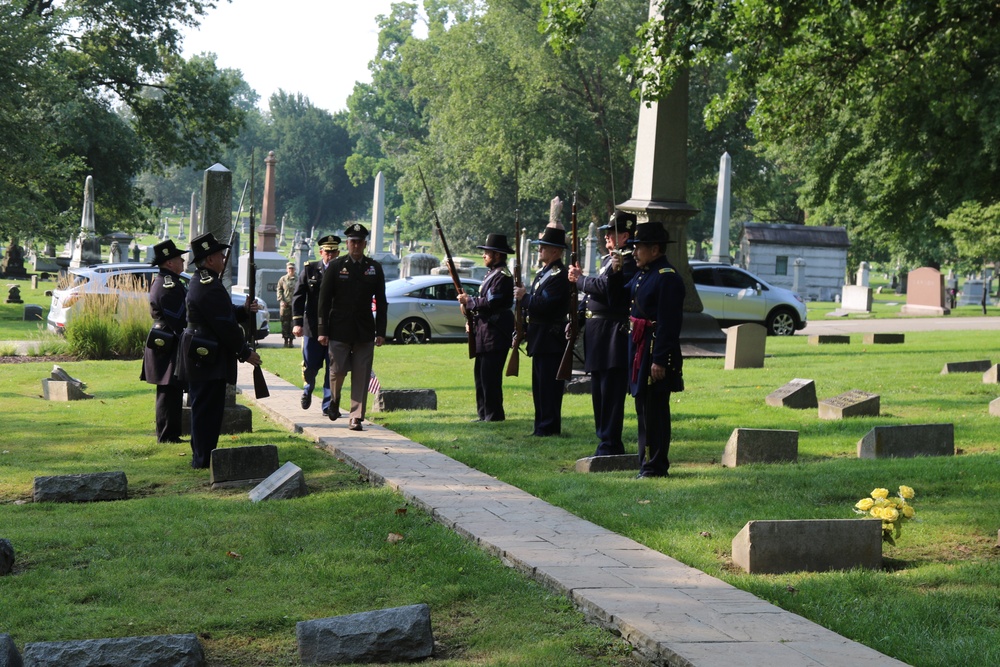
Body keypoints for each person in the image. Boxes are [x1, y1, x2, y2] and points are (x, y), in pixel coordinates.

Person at [178, 232, 262, 469]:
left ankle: (204, 455)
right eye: (220, 255)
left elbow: (221, 313)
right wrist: (245, 352)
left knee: (209, 408)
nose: (224, 258)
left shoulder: (207, 282)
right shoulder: (208, 285)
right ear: (211, 259)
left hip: (206, 352)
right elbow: (223, 324)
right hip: (205, 354)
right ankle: (202, 459)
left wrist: (243, 310)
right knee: (206, 409)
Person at [612, 223, 684, 478]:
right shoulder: (644, 274)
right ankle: (646, 462)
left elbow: (668, 324)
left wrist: (660, 360)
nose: (634, 252)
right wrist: (615, 272)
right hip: (640, 351)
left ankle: (655, 465)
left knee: (655, 412)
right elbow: (619, 297)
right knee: (643, 409)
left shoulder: (667, 277)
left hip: (654, 353)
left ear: (655, 249)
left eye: (638, 247)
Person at [567, 211, 638, 456]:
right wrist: (576, 317)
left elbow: (606, 289)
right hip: (598, 334)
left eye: (612, 232)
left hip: (612, 334)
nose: (607, 235)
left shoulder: (626, 260)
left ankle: (610, 442)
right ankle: (604, 439)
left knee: (610, 392)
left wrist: (580, 280)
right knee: (599, 391)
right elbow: (592, 295)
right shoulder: (610, 260)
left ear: (625, 236)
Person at [317, 223, 387, 432]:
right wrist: (322, 330)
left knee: (361, 373)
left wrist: (381, 331)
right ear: (347, 243)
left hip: (364, 329)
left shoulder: (374, 268)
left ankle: (356, 416)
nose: (356, 245)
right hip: (339, 328)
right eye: (352, 242)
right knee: (337, 371)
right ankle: (335, 401)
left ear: (365, 244)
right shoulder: (337, 266)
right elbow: (323, 300)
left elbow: (381, 302)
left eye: (360, 242)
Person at [514, 226, 570, 436]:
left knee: (548, 387)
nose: (540, 251)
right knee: (539, 387)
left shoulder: (559, 275)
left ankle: (549, 426)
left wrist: (524, 297)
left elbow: (546, 305)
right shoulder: (544, 273)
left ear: (555, 251)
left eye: (544, 247)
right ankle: (541, 425)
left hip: (550, 338)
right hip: (539, 337)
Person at [458, 233, 516, 422]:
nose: (483, 255)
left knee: (490, 378)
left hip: (495, 332)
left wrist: (470, 301)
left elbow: (491, 302)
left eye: (487, 252)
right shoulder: (491, 274)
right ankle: (483, 414)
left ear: (497, 255)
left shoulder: (503, 276)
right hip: (484, 332)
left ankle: (494, 415)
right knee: (481, 377)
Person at [139, 239, 188, 444]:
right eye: (178, 258)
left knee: (172, 389)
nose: (182, 261)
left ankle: (171, 432)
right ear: (169, 263)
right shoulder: (168, 284)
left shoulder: (170, 280)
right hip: (167, 340)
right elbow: (177, 317)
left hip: (166, 338)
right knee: (168, 390)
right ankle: (167, 435)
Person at [292, 235, 340, 415]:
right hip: (312, 327)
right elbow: (298, 296)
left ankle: (328, 405)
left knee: (332, 367)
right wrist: (297, 323)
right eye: (327, 252)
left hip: (335, 328)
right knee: (310, 365)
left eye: (333, 251)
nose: (330, 255)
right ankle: (308, 389)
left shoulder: (343, 271)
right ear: (321, 252)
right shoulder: (310, 269)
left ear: (338, 252)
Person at [276, 262, 297, 347]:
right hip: (285, 304)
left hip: (294, 304)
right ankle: (285, 340)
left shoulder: (298, 279)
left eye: (292, 268)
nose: (291, 270)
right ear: (287, 269)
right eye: (289, 268)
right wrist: (281, 300)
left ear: (294, 269)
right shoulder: (283, 279)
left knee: (293, 323)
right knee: (285, 323)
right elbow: (279, 289)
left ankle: (291, 340)